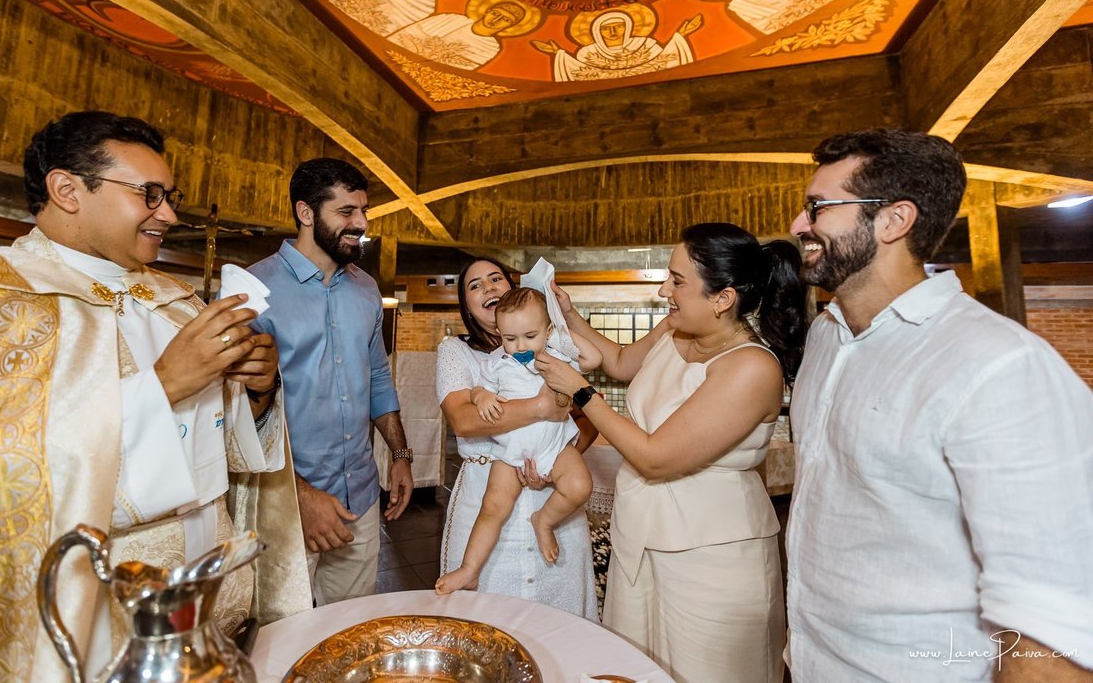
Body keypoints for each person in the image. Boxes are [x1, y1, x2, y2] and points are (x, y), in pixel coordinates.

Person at [0, 111, 310, 683]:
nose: (168, 212)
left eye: (171, 195)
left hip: (211, 605)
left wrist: (257, 397)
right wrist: (163, 386)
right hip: (94, 616)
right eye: (150, 194)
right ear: (67, 190)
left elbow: (223, 454)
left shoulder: (176, 300)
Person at [784, 129, 1093, 681]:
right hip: (811, 661)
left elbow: (1051, 629)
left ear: (894, 220)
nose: (798, 225)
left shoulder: (998, 364)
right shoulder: (826, 337)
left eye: (818, 208)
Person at [536, 223, 807, 683]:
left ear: (722, 298)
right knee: (637, 668)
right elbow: (620, 362)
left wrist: (580, 392)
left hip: (710, 554)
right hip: (640, 536)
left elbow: (655, 457)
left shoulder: (751, 367)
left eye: (677, 281)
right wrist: (569, 314)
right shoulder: (676, 330)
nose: (665, 290)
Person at [249, 157, 413, 606]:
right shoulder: (252, 290)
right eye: (346, 212)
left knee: (348, 634)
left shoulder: (365, 289)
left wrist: (399, 456)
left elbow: (378, 377)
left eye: (362, 211)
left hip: (359, 493)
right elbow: (235, 413)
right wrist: (297, 494)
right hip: (284, 503)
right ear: (306, 213)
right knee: (280, 642)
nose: (360, 223)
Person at [436, 257, 598, 618]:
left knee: (559, 619)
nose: (488, 287)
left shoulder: (552, 352)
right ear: (466, 304)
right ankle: (469, 570)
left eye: (496, 278)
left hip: (553, 494)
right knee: (490, 619)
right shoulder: (462, 353)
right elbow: (464, 419)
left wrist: (554, 463)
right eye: (475, 285)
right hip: (490, 482)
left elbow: (587, 420)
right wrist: (541, 407)